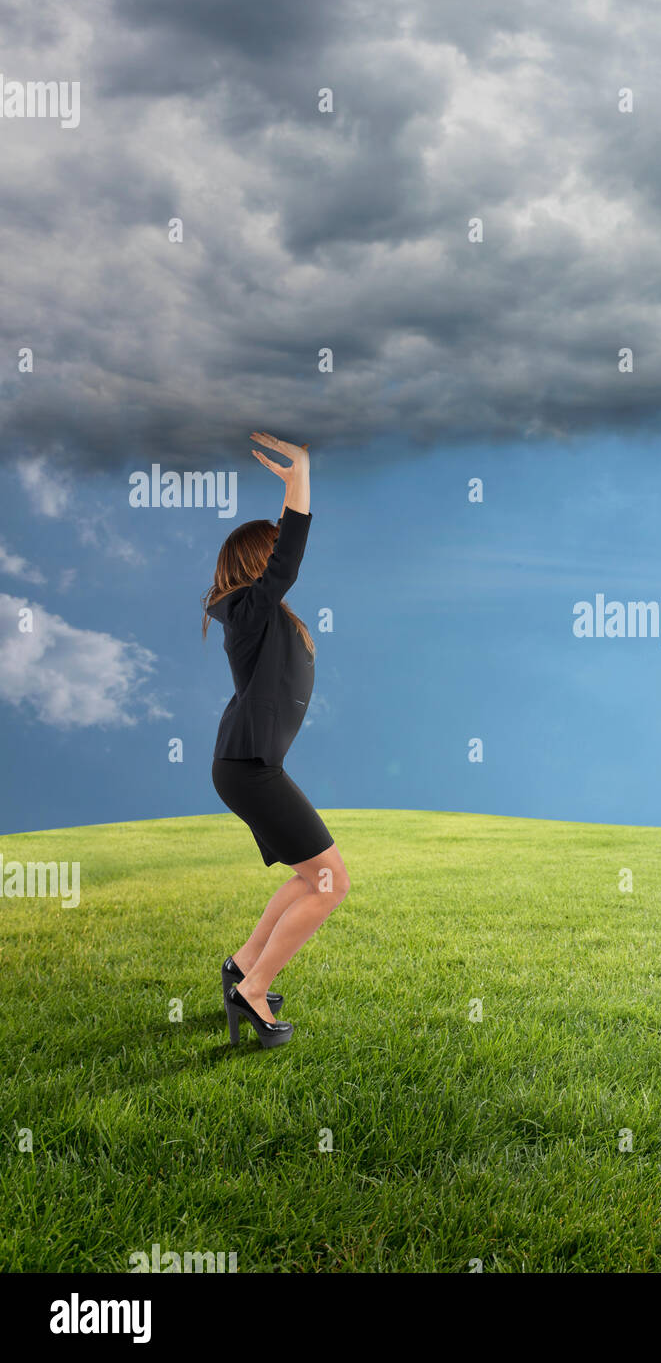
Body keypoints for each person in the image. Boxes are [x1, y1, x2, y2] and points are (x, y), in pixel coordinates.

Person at [202, 433, 350, 1048]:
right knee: (329, 883)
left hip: (251, 763)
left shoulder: (259, 616)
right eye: (273, 554)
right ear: (258, 561)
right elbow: (288, 561)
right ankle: (253, 991)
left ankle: (241, 968)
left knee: (305, 877)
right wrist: (299, 484)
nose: (279, 566)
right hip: (249, 766)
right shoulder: (245, 608)